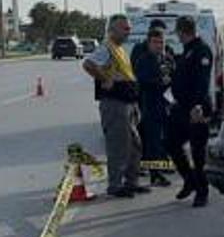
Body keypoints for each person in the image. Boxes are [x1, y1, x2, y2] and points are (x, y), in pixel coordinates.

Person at [82, 14, 147, 198]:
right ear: (113, 30)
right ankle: (115, 185)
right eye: (125, 28)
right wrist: (105, 78)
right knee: (119, 146)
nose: (129, 31)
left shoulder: (120, 49)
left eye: (129, 28)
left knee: (135, 145)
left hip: (127, 103)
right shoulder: (107, 48)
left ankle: (131, 182)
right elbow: (88, 64)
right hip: (115, 104)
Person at [167, 15, 213, 207]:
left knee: (198, 152)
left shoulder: (201, 50)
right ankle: (190, 180)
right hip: (181, 108)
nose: (176, 35)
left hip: (196, 109)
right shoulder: (186, 51)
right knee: (170, 143)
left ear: (181, 31)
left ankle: (202, 191)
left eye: (177, 32)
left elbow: (202, 82)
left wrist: (197, 107)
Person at [134, 28, 175, 187]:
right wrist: (159, 82)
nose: (159, 45)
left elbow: (174, 76)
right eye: (156, 42)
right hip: (150, 104)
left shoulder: (167, 58)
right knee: (153, 141)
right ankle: (155, 174)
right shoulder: (144, 60)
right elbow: (141, 81)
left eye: (161, 42)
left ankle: (161, 168)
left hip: (167, 105)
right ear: (149, 43)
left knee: (164, 140)